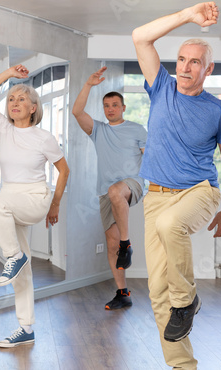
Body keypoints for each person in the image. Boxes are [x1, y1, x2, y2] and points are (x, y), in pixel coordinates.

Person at [132, 3, 221, 368]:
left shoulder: (218, 110)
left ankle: (187, 298)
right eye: (181, 59)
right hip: (156, 196)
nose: (185, 67)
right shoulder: (161, 88)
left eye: (195, 62)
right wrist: (188, 14)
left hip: (200, 192)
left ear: (208, 69)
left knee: (170, 226)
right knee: (156, 292)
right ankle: (183, 365)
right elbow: (140, 37)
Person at [0, 65, 69, 348]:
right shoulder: (3, 128)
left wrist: (55, 205)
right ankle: (26, 327)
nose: (14, 103)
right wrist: (7, 74)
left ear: (33, 107)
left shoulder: (44, 138)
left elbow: (64, 170)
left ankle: (13, 257)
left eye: (21, 99)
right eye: (11, 99)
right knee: (22, 273)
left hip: (35, 198)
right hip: (10, 199)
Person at [72, 66, 147, 310]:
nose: (111, 108)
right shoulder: (98, 131)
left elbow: (149, 160)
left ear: (123, 107)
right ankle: (122, 293)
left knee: (117, 192)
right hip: (105, 191)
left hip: (132, 184)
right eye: (106, 106)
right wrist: (88, 85)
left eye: (115, 104)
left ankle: (127, 244)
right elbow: (76, 111)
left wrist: (157, 186)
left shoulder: (137, 129)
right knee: (111, 243)